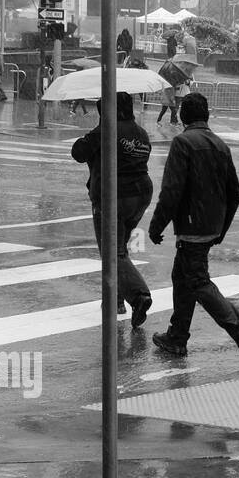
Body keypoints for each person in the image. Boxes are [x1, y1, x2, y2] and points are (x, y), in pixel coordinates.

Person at [148, 91, 239, 372]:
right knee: (182, 275)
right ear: (206, 115)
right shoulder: (220, 145)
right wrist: (221, 227)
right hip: (210, 226)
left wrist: (156, 224)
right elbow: (234, 192)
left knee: (198, 281)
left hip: (191, 225)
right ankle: (177, 336)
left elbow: (172, 190)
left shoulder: (183, 143)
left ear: (183, 117)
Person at [71, 91, 154, 326]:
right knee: (119, 249)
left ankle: (139, 296)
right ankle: (115, 300)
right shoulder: (141, 133)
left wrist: (96, 132)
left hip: (114, 195)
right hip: (140, 195)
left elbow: (78, 152)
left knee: (111, 252)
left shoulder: (107, 130)